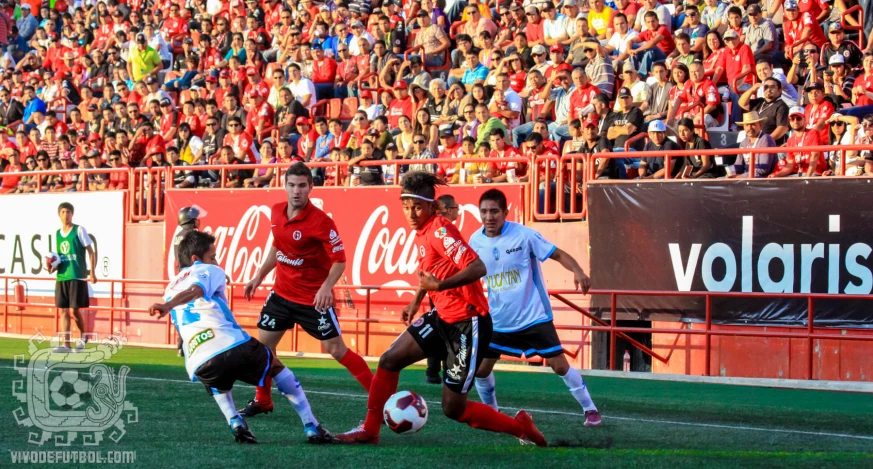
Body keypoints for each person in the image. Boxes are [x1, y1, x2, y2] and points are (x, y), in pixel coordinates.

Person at [334, 172, 546, 446]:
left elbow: (478, 267)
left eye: (417, 207)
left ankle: (521, 428)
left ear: (432, 207)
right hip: (441, 316)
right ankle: (370, 430)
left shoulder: (440, 231)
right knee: (389, 360)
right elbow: (429, 272)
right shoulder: (422, 231)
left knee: (453, 408)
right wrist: (416, 299)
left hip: (467, 323)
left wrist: (441, 285)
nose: (411, 213)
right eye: (406, 207)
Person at [149, 230, 333, 445]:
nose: (216, 261)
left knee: (218, 380)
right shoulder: (207, 270)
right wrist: (168, 305)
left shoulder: (170, 287)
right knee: (276, 368)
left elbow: (194, 293)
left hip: (198, 361)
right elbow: (197, 288)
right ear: (195, 259)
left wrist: (168, 303)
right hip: (230, 343)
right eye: (213, 256)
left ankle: (235, 422)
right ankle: (312, 426)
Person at [238, 163, 374, 418]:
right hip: (281, 294)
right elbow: (277, 247)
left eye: (302, 186)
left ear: (311, 187)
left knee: (336, 350)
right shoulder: (276, 211)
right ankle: (263, 399)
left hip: (313, 300)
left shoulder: (322, 222)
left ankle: (380, 399)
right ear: (285, 186)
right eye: (291, 185)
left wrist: (326, 287)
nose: (296, 191)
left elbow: (340, 260)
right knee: (262, 350)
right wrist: (259, 275)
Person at [469, 188, 601, 427]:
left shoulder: (524, 235)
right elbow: (469, 276)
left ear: (505, 212)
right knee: (480, 370)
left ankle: (590, 409)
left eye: (494, 211)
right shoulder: (475, 241)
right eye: (484, 212)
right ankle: (492, 414)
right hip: (499, 320)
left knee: (559, 366)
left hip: (533, 317)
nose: (489, 217)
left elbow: (558, 254)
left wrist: (578, 271)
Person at [45, 202, 97, 353]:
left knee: (74, 311)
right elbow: (60, 257)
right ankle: (66, 344)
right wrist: (51, 267)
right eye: (63, 212)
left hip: (77, 275)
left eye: (68, 212)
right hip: (62, 276)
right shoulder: (57, 234)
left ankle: (83, 335)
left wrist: (92, 272)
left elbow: (91, 251)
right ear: (59, 215)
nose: (65, 215)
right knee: (62, 311)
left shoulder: (79, 230)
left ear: (72, 214)